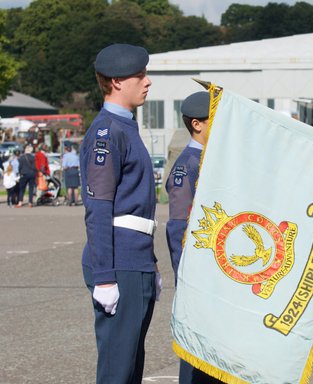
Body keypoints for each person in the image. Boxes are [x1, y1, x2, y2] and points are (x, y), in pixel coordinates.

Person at [80, 43, 161, 384]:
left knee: (130, 370)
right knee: (117, 371)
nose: (147, 81)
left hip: (136, 257)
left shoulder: (126, 128)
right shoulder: (106, 132)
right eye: (139, 74)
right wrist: (104, 276)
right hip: (118, 261)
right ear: (115, 81)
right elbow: (98, 207)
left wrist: (151, 264)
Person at [165, 91, 225, 384]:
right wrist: (187, 282)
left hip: (217, 279)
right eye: (216, 120)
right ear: (197, 124)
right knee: (197, 364)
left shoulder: (214, 160)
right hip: (198, 281)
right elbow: (178, 228)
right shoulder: (188, 166)